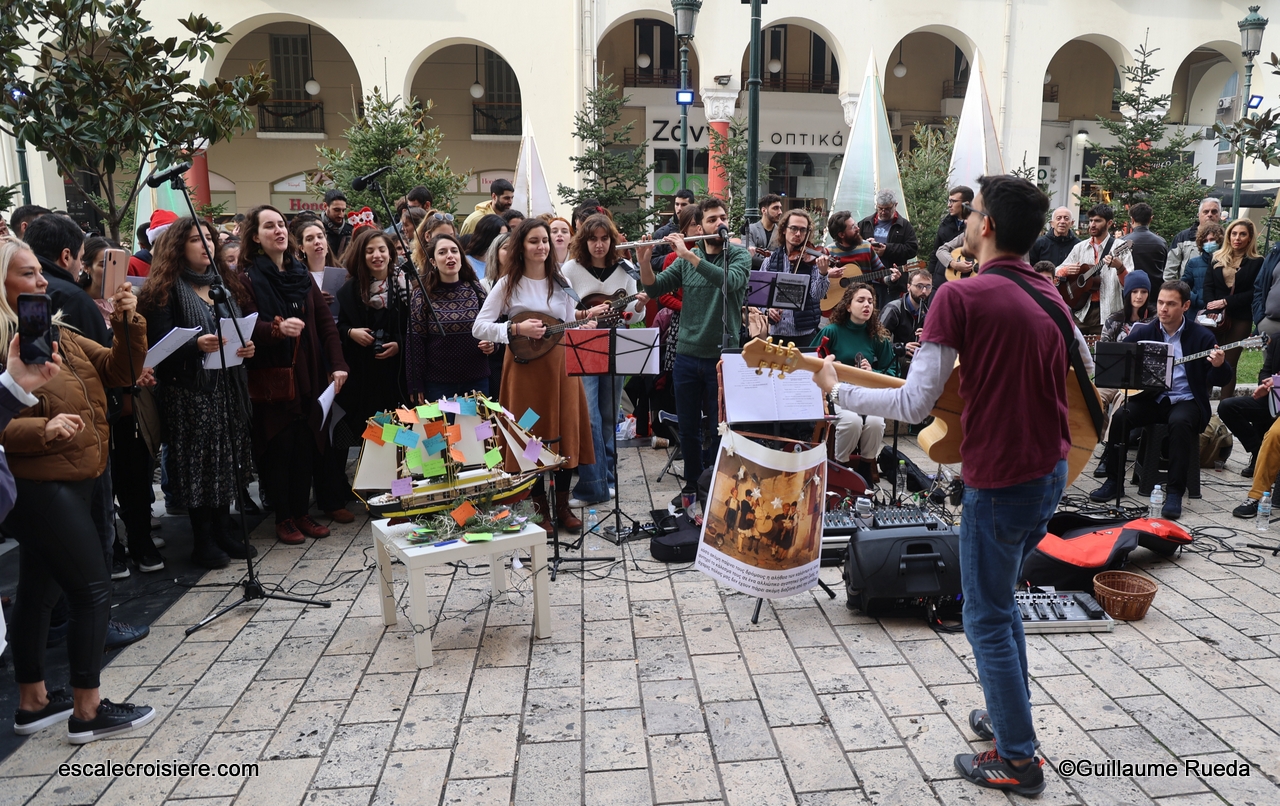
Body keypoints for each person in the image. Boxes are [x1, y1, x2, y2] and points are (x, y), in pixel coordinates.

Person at [812, 175, 1095, 796]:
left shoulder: (957, 297)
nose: (965, 217)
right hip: (1050, 469)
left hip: (1002, 478)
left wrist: (837, 388)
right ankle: (1005, 714)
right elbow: (1085, 369)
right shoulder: (1048, 289)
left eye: (973, 212)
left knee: (985, 615)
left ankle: (1019, 760)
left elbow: (913, 405)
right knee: (1002, 600)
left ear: (986, 225)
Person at [0, 236, 155, 743]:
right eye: (27, 274)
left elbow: (121, 371)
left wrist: (128, 318)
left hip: (78, 474)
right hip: (37, 484)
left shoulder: (54, 331)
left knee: (39, 590)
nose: (41, 281)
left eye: (40, 273)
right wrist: (41, 430)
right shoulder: (8, 340)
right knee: (92, 588)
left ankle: (33, 701)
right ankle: (87, 712)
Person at [473, 218, 609, 533]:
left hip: (560, 368)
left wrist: (584, 319)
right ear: (522, 246)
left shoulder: (559, 280)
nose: (542, 246)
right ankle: (539, 509)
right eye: (534, 241)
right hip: (525, 371)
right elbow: (479, 327)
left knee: (563, 432)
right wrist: (516, 328)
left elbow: (565, 319)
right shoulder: (508, 283)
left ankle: (562, 507)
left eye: (545, 241)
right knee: (530, 436)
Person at [138, 218, 259, 568]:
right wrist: (195, 344)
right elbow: (157, 345)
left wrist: (244, 346)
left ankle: (223, 529)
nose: (205, 244)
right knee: (197, 467)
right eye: (196, 239)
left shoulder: (223, 283)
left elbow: (234, 328)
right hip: (188, 393)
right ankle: (203, 539)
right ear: (179, 246)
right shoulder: (164, 288)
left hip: (226, 388)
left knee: (225, 461)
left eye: (209, 237)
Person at [239, 206, 349, 544]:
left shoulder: (300, 274)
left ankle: (302, 513)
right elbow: (243, 324)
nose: (279, 231)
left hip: (309, 373)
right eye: (269, 226)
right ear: (256, 237)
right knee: (279, 448)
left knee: (306, 446)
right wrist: (275, 329)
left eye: (282, 225)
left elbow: (326, 324)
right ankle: (283, 517)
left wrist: (338, 364)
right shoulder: (247, 278)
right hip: (272, 378)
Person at [635, 198, 751, 502]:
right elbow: (654, 289)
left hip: (722, 357)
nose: (719, 223)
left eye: (723, 217)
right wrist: (645, 262)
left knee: (719, 427)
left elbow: (731, 282)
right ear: (699, 226)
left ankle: (713, 484)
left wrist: (688, 255)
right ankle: (691, 486)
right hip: (687, 354)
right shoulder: (687, 258)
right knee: (687, 428)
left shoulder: (738, 255)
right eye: (712, 219)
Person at [1090, 281, 1231, 519]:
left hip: (1187, 400)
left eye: (1171, 304)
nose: (1163, 309)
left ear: (1186, 306)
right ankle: (1114, 481)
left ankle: (1174, 492)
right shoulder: (1144, 331)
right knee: (1122, 417)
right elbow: (1121, 363)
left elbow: (1220, 379)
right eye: (1161, 303)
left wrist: (1219, 365)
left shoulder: (1202, 336)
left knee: (1180, 423)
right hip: (1153, 397)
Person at [561, 214, 648, 506]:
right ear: (584, 241)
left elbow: (636, 315)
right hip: (584, 345)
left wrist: (638, 306)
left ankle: (608, 480)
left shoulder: (625, 269)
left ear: (611, 240)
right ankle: (592, 483)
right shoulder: (571, 269)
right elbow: (564, 311)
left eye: (604, 238)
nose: (599, 245)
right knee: (590, 416)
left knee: (610, 416)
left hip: (618, 343)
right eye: (593, 239)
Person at [813, 282, 896, 480]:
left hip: (867, 392)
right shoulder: (832, 331)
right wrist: (830, 368)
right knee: (852, 422)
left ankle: (866, 469)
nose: (867, 305)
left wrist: (872, 371)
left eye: (870, 301)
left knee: (876, 422)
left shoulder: (878, 336)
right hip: (837, 392)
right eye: (860, 300)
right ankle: (839, 469)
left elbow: (892, 373)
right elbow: (812, 362)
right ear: (848, 306)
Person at [337, 227, 410, 431]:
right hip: (364, 376)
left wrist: (399, 344)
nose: (376, 255)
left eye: (381, 250)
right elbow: (340, 326)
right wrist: (352, 333)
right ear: (361, 255)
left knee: (402, 433)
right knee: (372, 435)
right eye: (369, 251)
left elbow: (418, 329)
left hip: (398, 374)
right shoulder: (350, 290)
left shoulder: (407, 286)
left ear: (390, 253)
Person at [407, 232, 493, 402]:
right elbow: (414, 342)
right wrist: (415, 384)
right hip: (439, 385)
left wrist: (492, 345)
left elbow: (493, 326)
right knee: (443, 429)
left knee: (477, 428)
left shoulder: (476, 289)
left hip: (477, 380)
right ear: (433, 261)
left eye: (454, 251)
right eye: (442, 252)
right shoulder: (421, 295)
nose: (450, 256)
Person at [1055, 203, 1134, 336]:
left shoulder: (1120, 248)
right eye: (1091, 220)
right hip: (1081, 311)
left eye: (1097, 221)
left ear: (1109, 223)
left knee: (1103, 353)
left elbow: (1130, 285)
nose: (1092, 224)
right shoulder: (1079, 247)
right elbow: (1058, 270)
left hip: (1108, 313)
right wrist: (1066, 270)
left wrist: (1120, 268)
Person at [1204, 217, 1261, 399]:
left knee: (1229, 362)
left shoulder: (1257, 262)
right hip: (1214, 318)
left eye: (1242, 234)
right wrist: (1212, 308)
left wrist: (1227, 302)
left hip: (1240, 318)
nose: (1237, 238)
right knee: (1208, 359)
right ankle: (1202, 406)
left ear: (1250, 237)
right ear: (1228, 236)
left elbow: (1255, 292)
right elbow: (1208, 286)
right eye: (1234, 234)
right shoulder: (1217, 257)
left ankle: (1224, 410)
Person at [760, 209, 834, 344]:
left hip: (804, 334)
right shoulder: (770, 260)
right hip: (776, 333)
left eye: (803, 230)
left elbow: (817, 295)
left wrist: (823, 273)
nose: (798, 234)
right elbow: (761, 297)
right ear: (783, 229)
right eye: (794, 228)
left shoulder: (812, 260)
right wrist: (767, 310)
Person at [1220, 332, 1280, 487]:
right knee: (1227, 407)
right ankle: (1259, 452)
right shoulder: (1278, 338)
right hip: (1275, 399)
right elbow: (1266, 370)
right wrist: (1266, 384)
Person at [857, 189, 917, 304]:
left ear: (895, 205)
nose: (883, 212)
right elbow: (853, 246)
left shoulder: (904, 226)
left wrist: (887, 249)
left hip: (893, 283)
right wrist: (865, 245)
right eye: (880, 208)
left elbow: (912, 249)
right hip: (867, 281)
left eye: (887, 209)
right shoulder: (865, 223)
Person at [826, 211, 896, 299]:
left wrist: (891, 279)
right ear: (841, 234)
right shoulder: (829, 251)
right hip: (838, 303)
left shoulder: (866, 247)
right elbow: (818, 279)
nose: (858, 228)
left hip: (864, 303)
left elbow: (881, 274)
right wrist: (827, 274)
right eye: (852, 227)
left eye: (855, 224)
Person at [879, 267, 931, 374]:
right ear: (908, 287)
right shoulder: (894, 309)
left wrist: (929, 338)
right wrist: (902, 347)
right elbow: (877, 341)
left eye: (928, 287)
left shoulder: (928, 313)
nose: (924, 291)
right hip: (895, 358)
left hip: (917, 358)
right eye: (919, 286)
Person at [1165, 198, 1223, 280]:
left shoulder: (1227, 238)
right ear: (1199, 214)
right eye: (1206, 211)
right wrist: (1176, 291)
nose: (1210, 214)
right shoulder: (1182, 238)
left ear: (1220, 215)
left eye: (1214, 212)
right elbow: (1169, 272)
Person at [927, 186, 973, 287]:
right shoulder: (946, 222)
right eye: (949, 201)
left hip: (964, 279)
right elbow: (936, 250)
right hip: (940, 277)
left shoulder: (975, 226)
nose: (949, 205)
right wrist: (930, 276)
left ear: (966, 204)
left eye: (953, 201)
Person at [649, 189, 697, 271]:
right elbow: (653, 261)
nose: (679, 208)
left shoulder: (699, 229)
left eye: (683, 205)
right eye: (677, 204)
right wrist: (674, 257)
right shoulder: (663, 232)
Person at [1124, 203, 1168, 289]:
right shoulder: (1161, 242)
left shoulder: (1122, 242)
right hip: (1155, 291)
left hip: (1131, 291)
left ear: (1132, 219)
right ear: (1150, 219)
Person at [1181, 222, 1223, 312]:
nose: (1208, 243)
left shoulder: (1227, 262)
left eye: (1212, 240)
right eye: (1205, 241)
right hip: (1196, 312)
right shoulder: (1193, 263)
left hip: (1220, 311)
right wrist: (1196, 299)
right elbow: (1183, 286)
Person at [744, 194, 784, 269]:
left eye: (780, 208)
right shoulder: (749, 229)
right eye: (775, 208)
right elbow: (749, 255)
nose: (780, 212)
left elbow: (782, 257)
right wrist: (773, 260)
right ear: (764, 210)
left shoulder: (781, 232)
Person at [322, 190, 352, 261]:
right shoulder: (317, 228)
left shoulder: (351, 230)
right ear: (325, 206)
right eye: (336, 210)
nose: (341, 214)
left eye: (343, 210)